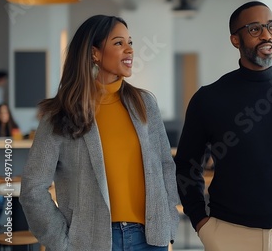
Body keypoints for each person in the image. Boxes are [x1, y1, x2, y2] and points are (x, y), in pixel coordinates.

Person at [174, 1, 272, 250]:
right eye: (255, 29)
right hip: (228, 233)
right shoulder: (209, 99)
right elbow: (187, 166)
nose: (267, 35)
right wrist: (201, 223)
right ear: (235, 40)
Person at [19, 15, 180, 251]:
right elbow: (33, 187)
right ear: (94, 53)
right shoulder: (60, 113)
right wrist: (62, 244)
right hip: (89, 242)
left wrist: (169, 225)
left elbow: (165, 165)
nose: (129, 50)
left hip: (150, 240)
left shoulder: (145, 103)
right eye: (119, 43)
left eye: (130, 42)